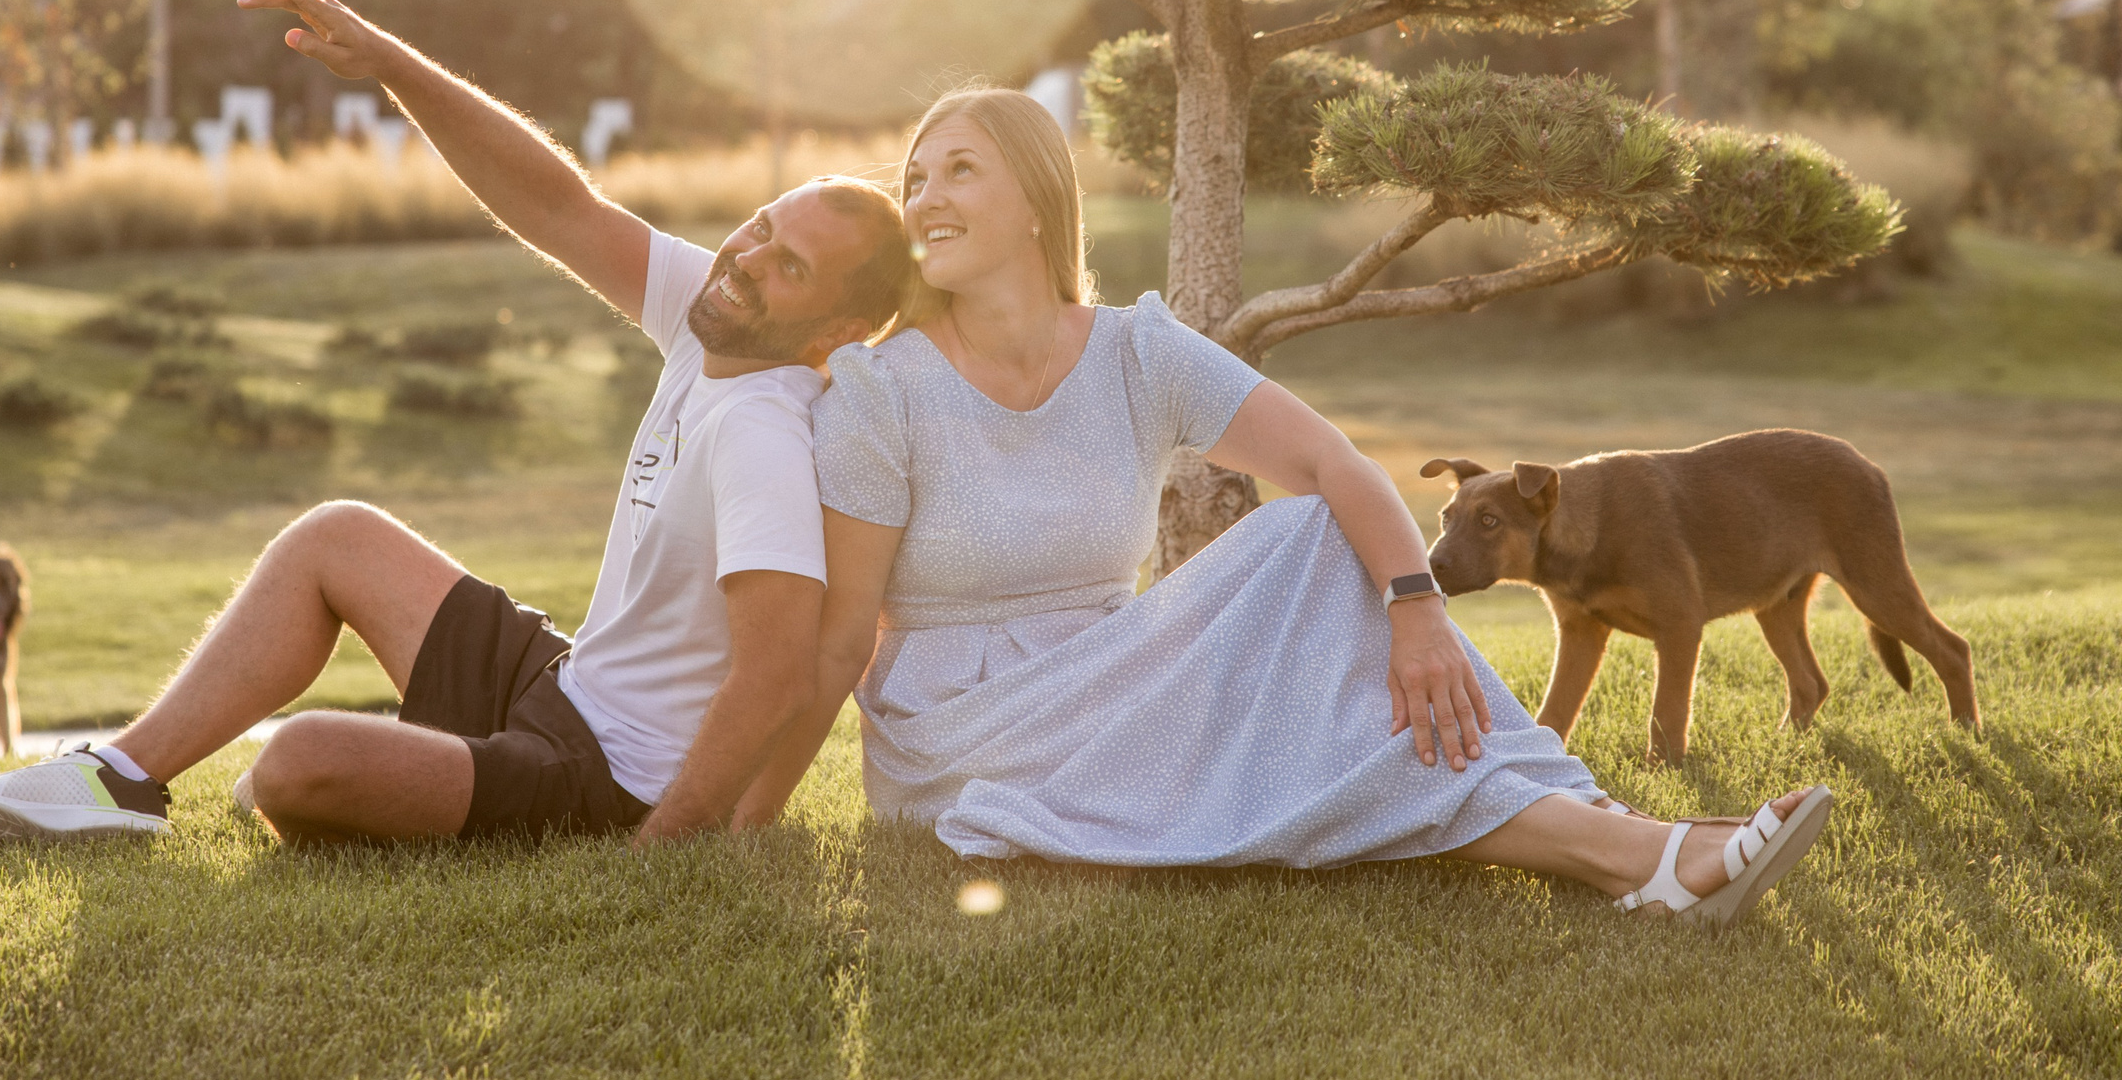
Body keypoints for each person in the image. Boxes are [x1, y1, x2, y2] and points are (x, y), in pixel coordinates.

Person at [735, 88, 1832, 925]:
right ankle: (1636, 851)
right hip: (968, 730)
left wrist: (1416, 610)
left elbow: (1335, 466)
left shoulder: (1136, 352)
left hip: (1124, 674)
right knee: (1323, 720)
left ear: (1035, 203)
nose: (925, 198)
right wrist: (746, 826)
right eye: (916, 177)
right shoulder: (881, 390)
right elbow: (841, 642)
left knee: (1318, 535)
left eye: (959, 170)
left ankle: (1617, 835)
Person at [0, 0, 910, 848]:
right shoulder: (714, 315)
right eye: (760, 226)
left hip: (602, 779)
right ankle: (115, 778)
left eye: (789, 266)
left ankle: (376, 778)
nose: (746, 259)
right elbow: (556, 205)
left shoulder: (765, 433)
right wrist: (387, 61)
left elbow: (777, 674)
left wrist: (663, 844)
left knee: (297, 763)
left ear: (837, 331)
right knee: (335, 538)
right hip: (562, 688)